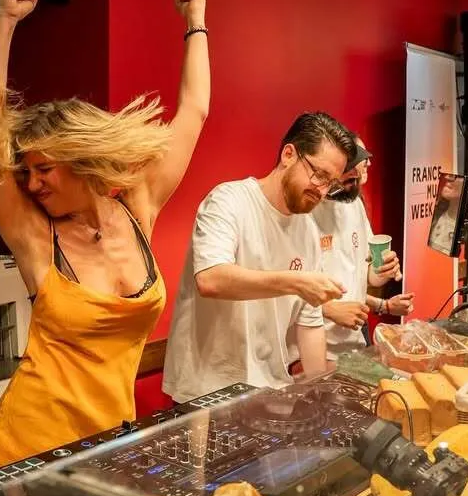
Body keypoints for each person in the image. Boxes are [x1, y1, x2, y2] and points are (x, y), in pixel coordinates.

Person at [0, 0, 210, 471]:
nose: (32, 184)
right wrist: (6, 20)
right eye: (26, 172)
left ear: (81, 159)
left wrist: (195, 22)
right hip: (28, 451)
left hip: (107, 450)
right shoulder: (35, 235)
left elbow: (194, 112)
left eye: (43, 169)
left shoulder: (137, 208)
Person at [161, 112, 356, 403]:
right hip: (206, 391)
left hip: (269, 389)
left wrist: (319, 394)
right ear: (289, 155)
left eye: (332, 183)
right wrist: (296, 282)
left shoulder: (308, 230)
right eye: (319, 175)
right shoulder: (228, 201)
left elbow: (310, 323)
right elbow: (211, 279)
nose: (322, 190)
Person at [313, 137, 415, 361]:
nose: (368, 163)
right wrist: (328, 309)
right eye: (359, 159)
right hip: (316, 346)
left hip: (356, 341)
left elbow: (366, 275)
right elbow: (287, 290)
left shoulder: (354, 204)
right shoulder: (306, 210)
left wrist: (384, 270)